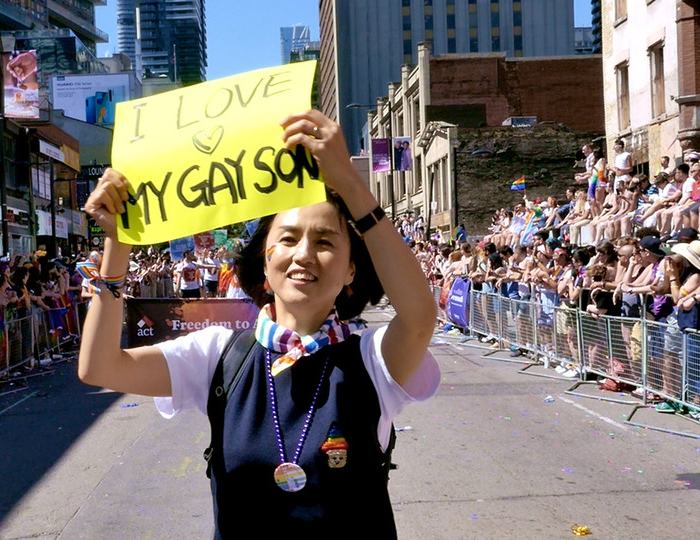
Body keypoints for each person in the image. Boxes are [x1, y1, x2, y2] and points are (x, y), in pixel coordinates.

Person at [78, 110, 440, 536]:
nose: (303, 254)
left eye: (325, 241)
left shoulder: (371, 360)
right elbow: (99, 367)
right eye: (287, 239)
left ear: (350, 271)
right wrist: (118, 247)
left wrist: (349, 183)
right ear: (264, 265)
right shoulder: (218, 356)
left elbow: (418, 317)